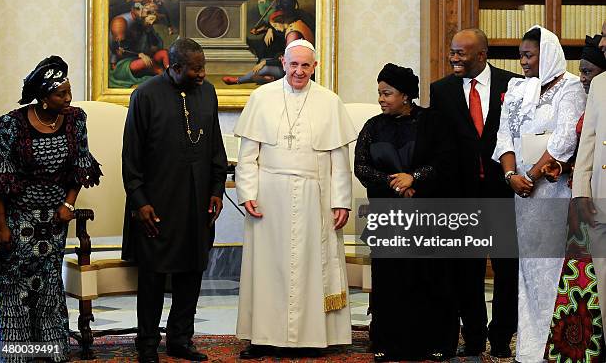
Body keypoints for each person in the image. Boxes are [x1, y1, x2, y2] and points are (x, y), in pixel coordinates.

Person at [234, 39, 356, 359]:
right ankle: (262, 337)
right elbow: (248, 154)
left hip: (315, 197)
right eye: (294, 64)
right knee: (267, 268)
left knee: (313, 269)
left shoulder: (329, 102)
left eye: (306, 65)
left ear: (315, 67)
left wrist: (341, 201)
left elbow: (340, 160)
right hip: (269, 196)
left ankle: (313, 339)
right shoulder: (261, 98)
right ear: (283, 63)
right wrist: (247, 193)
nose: (299, 71)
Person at [121, 38, 227, 363]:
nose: (202, 74)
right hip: (156, 204)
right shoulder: (145, 95)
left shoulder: (207, 92)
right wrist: (140, 202)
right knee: (153, 278)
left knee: (192, 272)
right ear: (176, 67)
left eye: (203, 66)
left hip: (197, 203)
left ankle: (180, 339)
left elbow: (215, 148)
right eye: (196, 69)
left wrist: (216, 190)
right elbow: (130, 157)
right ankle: (148, 345)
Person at [0, 56, 102, 362]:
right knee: (13, 284)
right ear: (43, 98)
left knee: (49, 282)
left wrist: (69, 204)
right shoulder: (11, 125)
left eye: (69, 92)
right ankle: (15, 352)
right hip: (17, 219)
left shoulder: (75, 120)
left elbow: (80, 167)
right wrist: (1, 227)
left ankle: (50, 350)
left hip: (55, 220)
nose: (68, 99)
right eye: (60, 94)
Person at [493, 25, 587, 362]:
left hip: (554, 192)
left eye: (529, 55)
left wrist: (530, 176)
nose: (522, 61)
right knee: (528, 271)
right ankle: (531, 348)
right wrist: (511, 176)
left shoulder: (572, 87)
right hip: (522, 195)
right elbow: (505, 136)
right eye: (521, 55)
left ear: (546, 54)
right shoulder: (518, 88)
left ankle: (559, 344)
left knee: (555, 268)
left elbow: (564, 141)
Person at [354, 64, 458, 361]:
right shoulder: (373, 126)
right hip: (389, 215)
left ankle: (436, 342)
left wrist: (416, 178)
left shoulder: (433, 122)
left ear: (405, 95)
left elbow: (445, 161)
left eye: (387, 93)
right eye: (379, 93)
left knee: (430, 277)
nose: (381, 99)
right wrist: (395, 183)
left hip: (427, 214)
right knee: (390, 280)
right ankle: (388, 342)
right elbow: (361, 167)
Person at [429, 28, 519, 357]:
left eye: (461, 53)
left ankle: (501, 337)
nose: (454, 58)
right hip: (462, 196)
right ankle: (475, 337)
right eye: (452, 51)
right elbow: (440, 145)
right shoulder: (441, 90)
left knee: (507, 271)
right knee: (467, 272)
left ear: (481, 55)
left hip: (503, 194)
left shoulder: (513, 85)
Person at [567, 20, 606, 357]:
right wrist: (581, 191)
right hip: (600, 201)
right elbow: (589, 142)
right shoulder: (601, 85)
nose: (603, 42)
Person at [223, 10, 314, 86]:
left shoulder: (292, 35)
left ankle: (238, 80)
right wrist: (269, 29)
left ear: (281, 22)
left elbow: (289, 59)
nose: (275, 29)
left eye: (275, 26)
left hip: (295, 70)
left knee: (264, 68)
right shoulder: (295, 24)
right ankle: (270, 79)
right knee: (264, 61)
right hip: (294, 64)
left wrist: (265, 63)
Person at [109, 0, 170, 88]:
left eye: (154, 13)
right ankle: (165, 77)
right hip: (123, 64)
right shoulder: (120, 23)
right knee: (148, 64)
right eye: (149, 12)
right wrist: (139, 54)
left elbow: (156, 46)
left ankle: (169, 71)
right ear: (138, 9)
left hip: (144, 58)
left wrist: (149, 32)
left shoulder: (144, 23)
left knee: (164, 53)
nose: (152, 17)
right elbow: (119, 50)